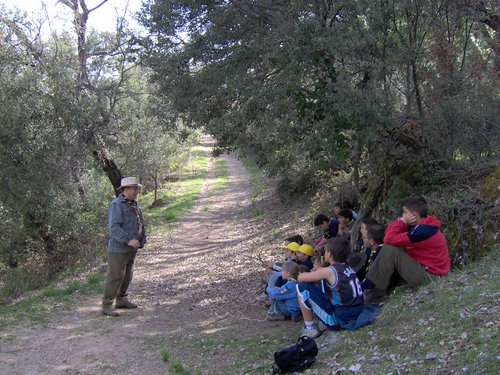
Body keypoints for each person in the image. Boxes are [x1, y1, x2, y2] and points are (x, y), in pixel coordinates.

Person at [364, 195, 450, 304]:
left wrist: (402, 221)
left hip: (431, 277)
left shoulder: (422, 231)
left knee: (390, 249)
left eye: (404, 212)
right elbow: (397, 237)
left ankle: (377, 292)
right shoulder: (426, 226)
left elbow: (388, 239)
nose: (403, 215)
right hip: (433, 272)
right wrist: (403, 222)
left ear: (413, 214)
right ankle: (375, 286)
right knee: (395, 247)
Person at [297, 238, 364, 337]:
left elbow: (301, 278)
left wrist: (316, 270)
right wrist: (319, 270)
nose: (324, 252)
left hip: (340, 320)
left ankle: (310, 328)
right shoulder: (347, 267)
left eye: (326, 250)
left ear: (330, 254)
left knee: (302, 288)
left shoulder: (329, 271)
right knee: (322, 283)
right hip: (358, 312)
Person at [101, 177, 147, 317]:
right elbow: (114, 228)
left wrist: (141, 239)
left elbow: (139, 224)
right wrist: (128, 240)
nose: (137, 191)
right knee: (115, 277)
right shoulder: (117, 205)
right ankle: (107, 305)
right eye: (135, 188)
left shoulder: (133, 205)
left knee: (127, 276)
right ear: (126, 190)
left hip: (130, 249)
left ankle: (121, 300)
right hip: (118, 248)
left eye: (137, 188)